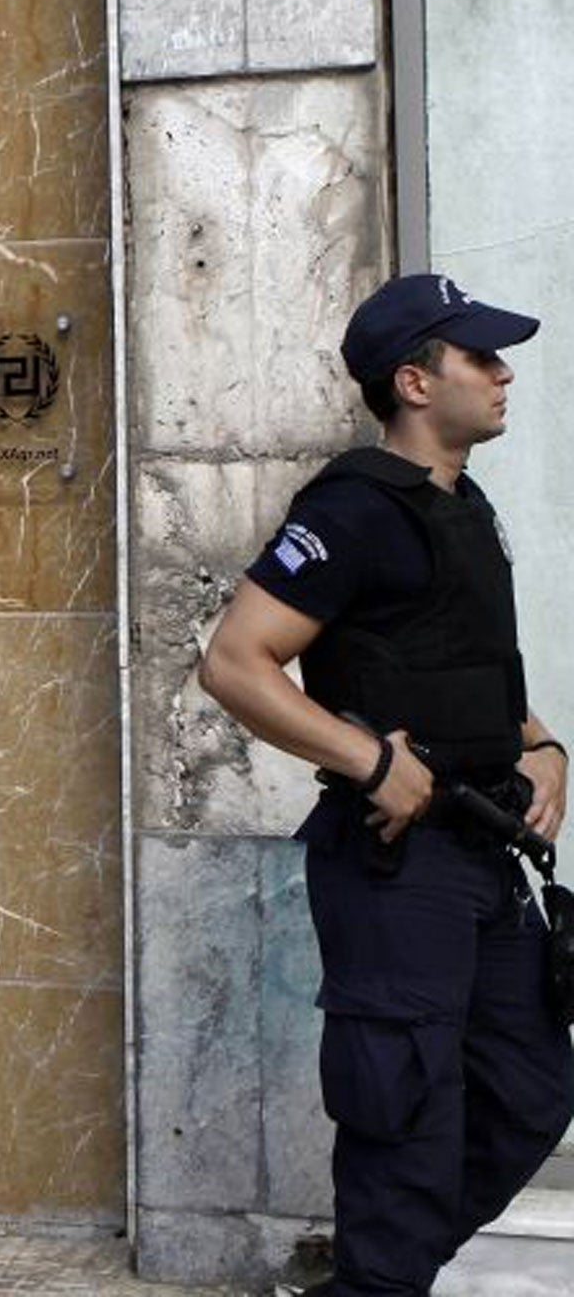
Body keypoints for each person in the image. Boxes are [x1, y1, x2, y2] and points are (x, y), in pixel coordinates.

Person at [201, 273, 574, 1296]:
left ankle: (373, 1279)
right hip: (395, 869)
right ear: (414, 381)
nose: (502, 375)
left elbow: (467, 669)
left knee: (528, 1093)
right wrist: (366, 760)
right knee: (405, 1128)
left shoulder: (462, 504)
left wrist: (543, 749)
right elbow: (233, 660)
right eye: (479, 358)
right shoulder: (352, 509)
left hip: (482, 856)